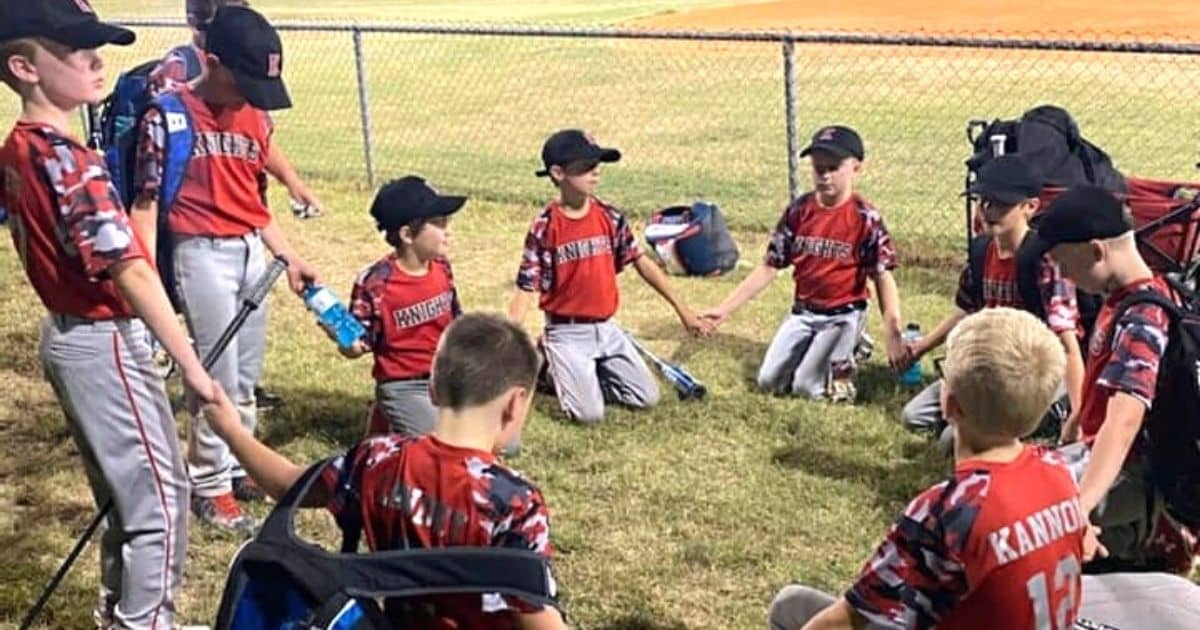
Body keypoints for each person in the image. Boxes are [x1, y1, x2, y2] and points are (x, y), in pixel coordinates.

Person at [0, 1, 220, 626]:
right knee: (162, 503)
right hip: (102, 339)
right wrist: (195, 371)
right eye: (75, 51)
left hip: (69, 338)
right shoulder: (72, 159)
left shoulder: (19, 148)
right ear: (25, 67)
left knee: (127, 501)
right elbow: (131, 270)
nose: (97, 60)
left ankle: (120, 614)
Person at [203, 313, 569, 629]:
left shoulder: (377, 458)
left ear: (432, 388)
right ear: (516, 403)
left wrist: (232, 432)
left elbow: (289, 485)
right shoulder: (516, 503)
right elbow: (534, 618)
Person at [768, 308, 1088, 629]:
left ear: (949, 404)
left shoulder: (948, 509)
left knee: (791, 607)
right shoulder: (1059, 471)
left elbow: (848, 618)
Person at [130, 4, 320, 536]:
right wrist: (144, 283)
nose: (256, 96)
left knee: (247, 374)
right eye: (248, 80)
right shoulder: (167, 115)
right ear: (212, 62)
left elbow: (254, 207)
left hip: (249, 251)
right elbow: (144, 207)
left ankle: (241, 466)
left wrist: (288, 256)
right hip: (200, 253)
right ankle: (209, 482)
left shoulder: (256, 116)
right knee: (215, 374)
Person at [1031, 185, 1194, 572]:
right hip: (1105, 452)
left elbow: (1124, 421)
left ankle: (1154, 534)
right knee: (1024, 476)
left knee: (1030, 512)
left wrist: (1080, 507)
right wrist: (1077, 417)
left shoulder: (1144, 320)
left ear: (1096, 250)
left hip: (1135, 469)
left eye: (1062, 262)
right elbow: (1106, 378)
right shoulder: (1139, 292)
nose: (1062, 274)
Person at [507, 128, 709, 424]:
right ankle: (548, 368)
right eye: (586, 166)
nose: (596, 171)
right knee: (588, 415)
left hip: (607, 328)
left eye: (597, 164)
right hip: (567, 332)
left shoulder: (609, 217)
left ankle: (584, 373)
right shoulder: (545, 226)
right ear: (558, 173)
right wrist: (506, 341)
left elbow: (641, 263)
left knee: (645, 398)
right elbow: (527, 287)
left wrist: (684, 311)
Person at [701, 125, 904, 402]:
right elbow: (770, 265)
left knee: (808, 388)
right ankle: (833, 350)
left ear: (856, 167)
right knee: (769, 381)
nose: (824, 175)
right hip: (804, 313)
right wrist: (724, 309)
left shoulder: (864, 217)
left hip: (842, 314)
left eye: (833, 167)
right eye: (818, 167)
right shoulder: (800, 210)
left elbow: (882, 276)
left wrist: (892, 330)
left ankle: (850, 350)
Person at [900, 155, 1085, 445]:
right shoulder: (981, 251)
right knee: (914, 416)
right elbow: (966, 311)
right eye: (983, 201)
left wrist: (1079, 414)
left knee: (952, 439)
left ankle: (1051, 409)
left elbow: (1068, 345)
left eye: (1001, 204)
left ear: (1030, 207)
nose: (988, 210)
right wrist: (921, 347)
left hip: (1031, 369)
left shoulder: (1044, 260)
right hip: (990, 362)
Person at [343, 176, 464, 437]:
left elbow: (456, 321)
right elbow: (356, 345)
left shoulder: (441, 267)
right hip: (403, 385)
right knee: (444, 445)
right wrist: (341, 333)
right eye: (439, 224)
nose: (448, 231)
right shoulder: (376, 283)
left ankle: (390, 424)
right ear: (407, 234)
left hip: (444, 376)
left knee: (502, 439)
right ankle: (386, 421)